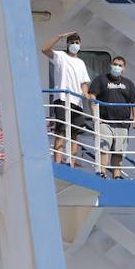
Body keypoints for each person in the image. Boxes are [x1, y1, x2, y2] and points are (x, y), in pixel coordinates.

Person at [40, 30, 91, 167]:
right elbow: (44, 49)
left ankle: (71, 162)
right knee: (61, 131)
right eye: (72, 42)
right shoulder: (60, 56)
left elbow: (84, 82)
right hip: (62, 99)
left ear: (80, 44)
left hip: (77, 102)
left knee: (74, 134)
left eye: (77, 42)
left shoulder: (81, 63)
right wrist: (59, 37)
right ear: (67, 44)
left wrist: (85, 93)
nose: (74, 44)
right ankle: (57, 162)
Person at [87, 56, 135, 179]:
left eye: (120, 65)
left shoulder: (128, 83)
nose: (117, 67)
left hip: (122, 123)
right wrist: (95, 115)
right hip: (105, 121)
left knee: (118, 151)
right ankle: (102, 173)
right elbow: (92, 96)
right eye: (115, 64)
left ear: (124, 68)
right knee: (104, 148)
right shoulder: (101, 79)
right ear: (111, 64)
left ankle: (117, 176)